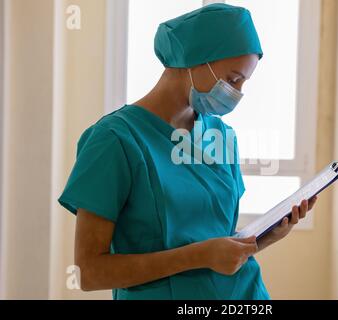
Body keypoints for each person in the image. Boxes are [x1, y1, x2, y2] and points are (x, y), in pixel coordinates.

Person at [58, 3, 317, 300]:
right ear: (194, 60)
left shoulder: (221, 135)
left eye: (244, 82)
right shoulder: (114, 140)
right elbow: (90, 272)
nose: (238, 92)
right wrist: (197, 256)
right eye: (233, 79)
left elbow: (216, 241)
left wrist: (262, 238)